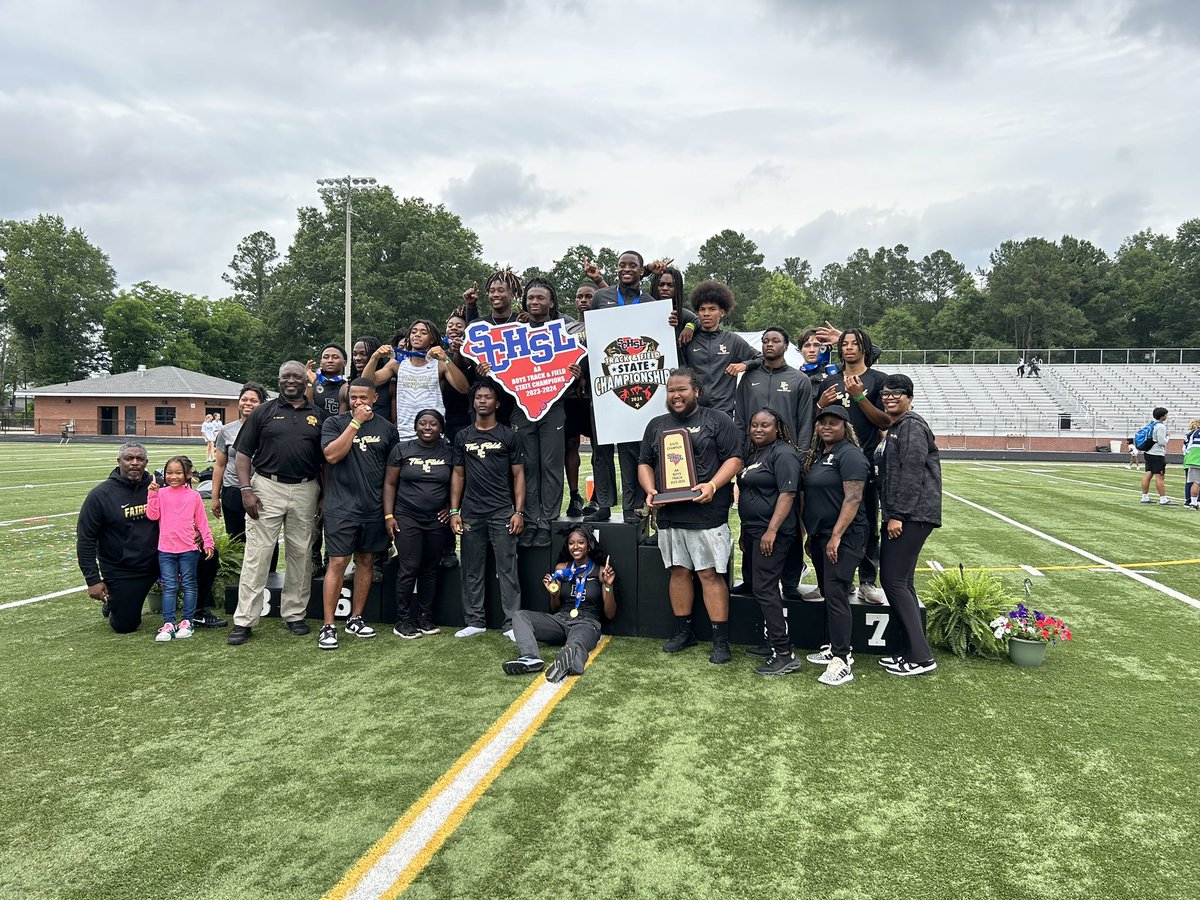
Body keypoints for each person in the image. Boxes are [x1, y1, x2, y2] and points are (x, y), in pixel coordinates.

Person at [638, 368, 743, 664]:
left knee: (709, 573)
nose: (675, 395)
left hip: (707, 513)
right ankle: (684, 632)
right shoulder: (656, 425)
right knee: (678, 571)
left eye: (681, 389)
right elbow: (645, 462)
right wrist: (651, 491)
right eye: (671, 390)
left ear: (696, 391)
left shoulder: (717, 419)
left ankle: (721, 641)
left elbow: (735, 458)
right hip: (671, 513)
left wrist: (712, 485)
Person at [586, 250, 695, 523]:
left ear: (640, 270)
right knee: (601, 452)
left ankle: (632, 507)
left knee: (632, 450)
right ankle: (603, 505)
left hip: (639, 384)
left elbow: (687, 314)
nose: (626, 270)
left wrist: (686, 323)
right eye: (622, 265)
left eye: (632, 266)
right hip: (607, 382)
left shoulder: (652, 302)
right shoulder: (602, 297)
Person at [227, 360, 327, 646]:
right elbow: (243, 454)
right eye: (286, 377)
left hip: (307, 488)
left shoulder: (317, 415)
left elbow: (325, 463)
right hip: (267, 487)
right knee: (257, 555)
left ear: (306, 382)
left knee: (301, 554)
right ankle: (245, 619)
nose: (292, 381)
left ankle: (294, 614)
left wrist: (324, 495)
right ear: (279, 380)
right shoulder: (263, 411)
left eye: (297, 377)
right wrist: (246, 489)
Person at [316, 378, 398, 650]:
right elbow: (331, 456)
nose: (359, 402)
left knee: (366, 561)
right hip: (341, 508)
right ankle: (328, 626)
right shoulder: (334, 424)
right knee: (338, 563)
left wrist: (388, 511)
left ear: (375, 398)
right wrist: (355, 423)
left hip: (372, 508)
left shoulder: (387, 429)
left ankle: (356, 618)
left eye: (364, 397)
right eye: (354, 398)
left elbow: (391, 473)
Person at [734, 326, 815, 601]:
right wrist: (742, 454)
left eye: (776, 340)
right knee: (750, 514)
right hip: (753, 459)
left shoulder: (799, 380)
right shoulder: (748, 378)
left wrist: (801, 457)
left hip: (786, 458)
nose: (769, 344)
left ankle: (791, 582)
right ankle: (749, 579)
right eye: (766, 340)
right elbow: (741, 418)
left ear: (785, 345)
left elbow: (805, 422)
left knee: (789, 519)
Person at [816, 329, 890, 604]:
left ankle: (867, 581)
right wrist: (819, 404)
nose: (848, 348)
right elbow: (819, 421)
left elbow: (884, 421)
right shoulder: (831, 381)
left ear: (865, 348)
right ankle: (834, 582)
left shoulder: (878, 380)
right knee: (827, 521)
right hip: (831, 462)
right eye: (844, 344)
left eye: (855, 344)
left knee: (868, 521)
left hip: (864, 462)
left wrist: (860, 397)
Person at [449, 380, 526, 638]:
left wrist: (518, 511)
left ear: (497, 403)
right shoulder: (462, 436)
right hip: (471, 512)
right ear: (473, 403)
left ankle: (512, 623)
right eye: (478, 397)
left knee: (507, 569)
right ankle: (475, 621)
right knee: (471, 567)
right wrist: (454, 511)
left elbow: (518, 476)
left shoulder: (509, 436)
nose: (482, 401)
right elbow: (458, 476)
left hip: (502, 511)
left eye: (487, 397)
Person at [876, 374, 941, 676]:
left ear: (910, 397)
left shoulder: (912, 426)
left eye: (897, 393)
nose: (890, 398)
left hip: (912, 515)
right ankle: (909, 649)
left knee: (894, 581)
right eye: (886, 394)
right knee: (902, 582)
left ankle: (921, 656)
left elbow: (911, 473)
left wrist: (898, 515)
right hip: (908, 513)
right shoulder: (899, 426)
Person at [801, 405, 869, 686]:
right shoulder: (821, 456)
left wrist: (837, 535)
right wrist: (812, 534)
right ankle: (833, 647)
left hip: (844, 536)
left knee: (837, 592)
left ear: (845, 427)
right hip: (821, 535)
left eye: (834, 423)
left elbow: (852, 499)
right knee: (829, 591)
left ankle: (843, 659)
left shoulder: (850, 455)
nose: (827, 427)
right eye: (823, 423)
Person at [507, 278, 578, 547]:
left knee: (550, 465)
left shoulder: (564, 332)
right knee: (527, 466)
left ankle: (547, 522)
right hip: (522, 407)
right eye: (531, 298)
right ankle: (528, 519)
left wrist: (575, 373)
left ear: (551, 302)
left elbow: (575, 363)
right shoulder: (514, 332)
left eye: (540, 298)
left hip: (553, 407)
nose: (535, 302)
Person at [502, 525, 617, 682]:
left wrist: (609, 586)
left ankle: (570, 663)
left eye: (581, 542)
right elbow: (554, 608)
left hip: (586, 622)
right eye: (571, 543)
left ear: (589, 545)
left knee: (575, 642)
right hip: (561, 619)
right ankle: (530, 658)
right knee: (520, 616)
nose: (575, 547)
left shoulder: (601, 572)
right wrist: (554, 595)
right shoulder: (561, 569)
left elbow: (610, 614)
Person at [737, 408, 803, 675]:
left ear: (777, 428)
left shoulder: (784, 453)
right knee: (760, 587)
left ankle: (784, 653)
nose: (758, 429)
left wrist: (772, 530)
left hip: (772, 533)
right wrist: (745, 530)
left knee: (766, 588)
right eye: (754, 425)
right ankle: (770, 642)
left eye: (765, 425)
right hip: (754, 531)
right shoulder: (755, 454)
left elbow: (788, 495)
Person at [77, 442, 160, 634]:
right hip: (124, 570)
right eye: (129, 458)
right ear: (119, 461)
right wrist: (93, 580)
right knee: (125, 626)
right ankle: (114, 603)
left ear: (146, 462)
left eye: (139, 459)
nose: (134, 463)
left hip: (161, 560)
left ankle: (197, 610)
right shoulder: (100, 495)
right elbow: (86, 539)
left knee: (208, 556)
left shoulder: (158, 486)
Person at [384, 409, 453, 638]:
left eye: (433, 424)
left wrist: (451, 508)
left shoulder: (449, 453)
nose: (427, 427)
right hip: (407, 517)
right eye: (422, 423)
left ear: (441, 429)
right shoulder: (402, 449)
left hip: (436, 519)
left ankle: (424, 617)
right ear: (415, 427)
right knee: (409, 567)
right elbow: (390, 484)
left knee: (430, 570)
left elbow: (457, 483)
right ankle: (403, 620)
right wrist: (389, 516)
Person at [146, 455, 215, 642]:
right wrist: (152, 494)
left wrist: (208, 543)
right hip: (166, 550)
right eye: (169, 473)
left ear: (187, 475)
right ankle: (168, 623)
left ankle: (187, 621)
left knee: (189, 585)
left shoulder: (194, 496)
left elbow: (202, 522)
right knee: (169, 586)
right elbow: (152, 516)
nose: (173, 477)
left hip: (189, 550)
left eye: (178, 473)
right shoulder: (160, 493)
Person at [363, 320, 469, 441]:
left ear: (432, 339)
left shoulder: (439, 364)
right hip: (404, 434)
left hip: (433, 433)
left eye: (423, 332)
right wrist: (374, 357)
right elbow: (367, 384)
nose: (417, 335)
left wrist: (446, 359)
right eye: (414, 332)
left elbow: (464, 389)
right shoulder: (398, 363)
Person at [680, 279, 762, 419]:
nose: (706, 313)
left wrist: (744, 365)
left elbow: (761, 358)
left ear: (722, 312)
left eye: (712, 309)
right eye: (702, 309)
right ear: (697, 313)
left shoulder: (732, 340)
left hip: (724, 412)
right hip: (694, 412)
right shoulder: (688, 339)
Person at [564, 283, 597, 518]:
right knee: (571, 444)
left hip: (598, 395)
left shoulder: (606, 323)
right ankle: (575, 494)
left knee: (600, 448)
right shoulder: (566, 326)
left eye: (588, 296)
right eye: (579, 297)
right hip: (571, 395)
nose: (583, 300)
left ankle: (598, 497)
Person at [441, 310, 477, 444]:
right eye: (450, 326)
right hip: (445, 416)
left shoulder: (473, 354)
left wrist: (459, 350)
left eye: (459, 326)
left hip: (466, 416)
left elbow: (460, 365)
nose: (454, 328)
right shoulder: (439, 355)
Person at [350, 335, 393, 423]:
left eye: (363, 354)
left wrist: (375, 357)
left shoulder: (390, 384)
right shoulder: (346, 386)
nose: (357, 358)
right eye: (355, 354)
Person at [306, 343, 348, 416]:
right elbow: (308, 410)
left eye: (335, 357)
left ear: (344, 362)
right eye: (326, 357)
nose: (330, 360)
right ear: (321, 363)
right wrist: (310, 384)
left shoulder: (348, 386)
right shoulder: (314, 384)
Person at [1140, 406, 1170, 504]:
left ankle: (1144, 497)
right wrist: (1168, 437)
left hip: (1148, 452)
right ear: (1162, 416)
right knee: (1159, 476)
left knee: (1148, 473)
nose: (1167, 416)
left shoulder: (1152, 424)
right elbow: (1162, 442)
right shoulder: (1161, 426)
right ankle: (1163, 498)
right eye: (1166, 414)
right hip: (1157, 454)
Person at [1183, 419, 1200, 509]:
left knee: (1196, 482)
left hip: (1193, 459)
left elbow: (1188, 448)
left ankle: (1193, 503)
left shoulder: (1195, 432)